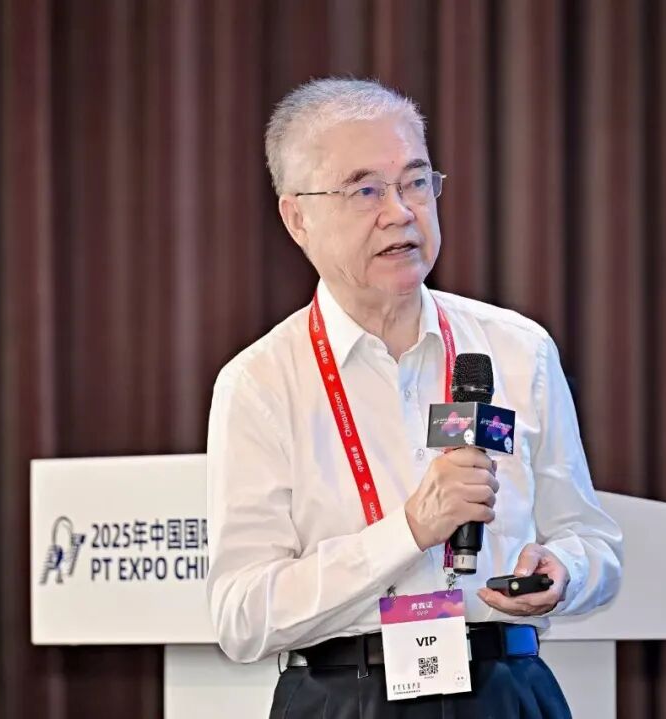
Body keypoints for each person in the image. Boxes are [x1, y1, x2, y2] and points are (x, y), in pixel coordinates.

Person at [205, 78, 623, 719]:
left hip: (505, 689)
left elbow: (592, 541)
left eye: (417, 182)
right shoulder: (261, 382)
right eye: (365, 190)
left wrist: (564, 571)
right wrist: (409, 529)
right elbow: (242, 615)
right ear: (297, 218)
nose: (400, 212)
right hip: (344, 697)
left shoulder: (518, 348)